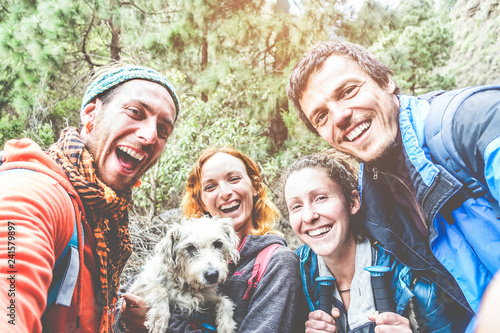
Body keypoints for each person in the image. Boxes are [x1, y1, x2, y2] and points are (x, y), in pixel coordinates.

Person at [287, 40, 500, 325]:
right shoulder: (375, 210)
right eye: (322, 116)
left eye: (348, 91)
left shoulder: (470, 121)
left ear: (386, 81)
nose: (339, 117)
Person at [0, 62, 181, 333]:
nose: (150, 135)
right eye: (135, 112)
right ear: (91, 113)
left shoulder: (105, 215)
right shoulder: (33, 191)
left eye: (163, 130)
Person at [117, 147, 305, 332]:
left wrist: (160, 326)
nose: (224, 193)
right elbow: (115, 309)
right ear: (201, 200)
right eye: (210, 187)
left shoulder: (278, 263)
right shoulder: (179, 251)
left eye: (234, 179)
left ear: (255, 185)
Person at [282, 152, 469, 332]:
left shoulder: (413, 279)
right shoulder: (294, 276)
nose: (308, 216)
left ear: (353, 202)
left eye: (321, 198)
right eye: (296, 206)